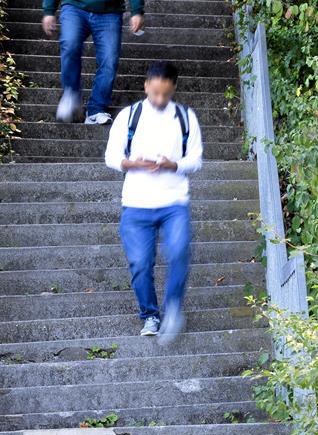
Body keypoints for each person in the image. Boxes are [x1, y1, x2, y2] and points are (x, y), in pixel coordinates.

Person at [104, 60, 203, 344]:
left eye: (166, 94)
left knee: (179, 251)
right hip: (136, 202)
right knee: (139, 263)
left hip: (174, 201)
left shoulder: (185, 117)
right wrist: (132, 163)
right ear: (146, 85)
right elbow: (111, 156)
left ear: (173, 89)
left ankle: (173, 308)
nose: (160, 99)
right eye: (155, 92)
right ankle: (150, 314)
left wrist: (174, 164)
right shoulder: (129, 116)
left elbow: (195, 159)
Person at [41, 0, 145, 124]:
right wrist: (49, 10)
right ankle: (71, 94)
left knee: (109, 59)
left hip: (110, 11)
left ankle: (96, 109)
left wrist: (137, 11)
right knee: (70, 44)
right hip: (74, 6)